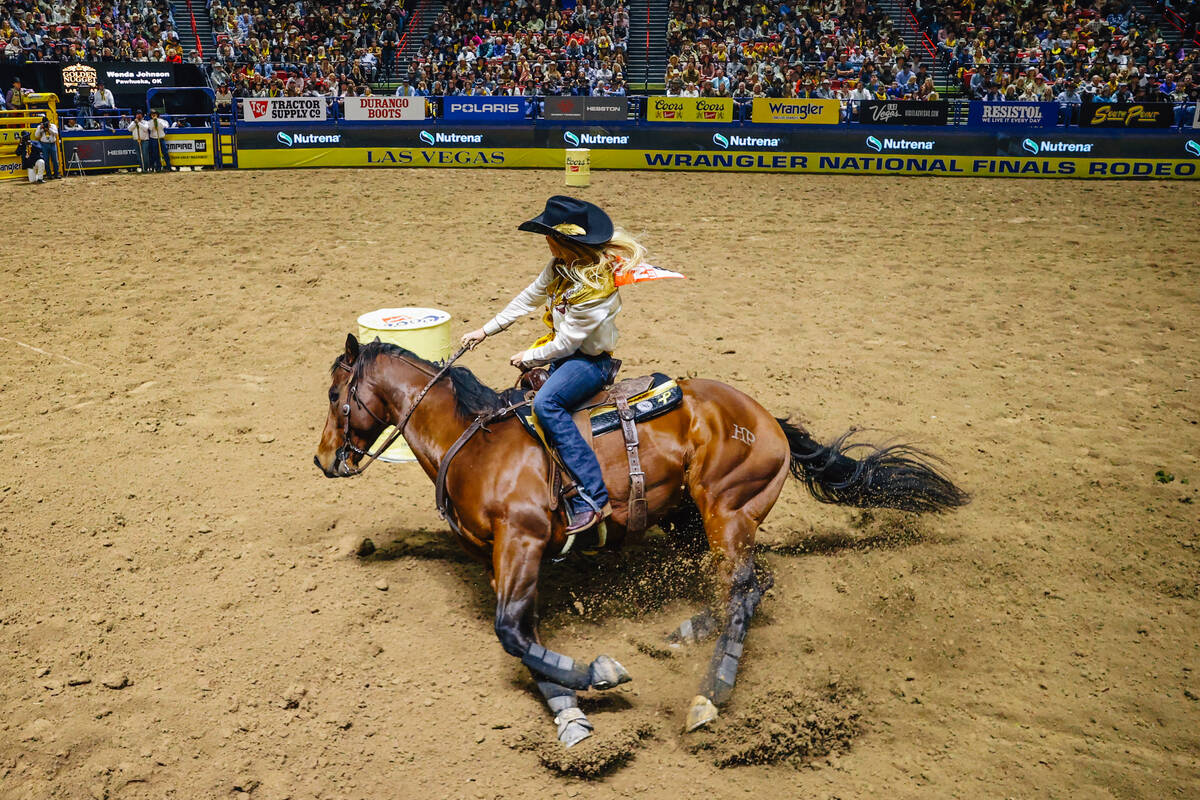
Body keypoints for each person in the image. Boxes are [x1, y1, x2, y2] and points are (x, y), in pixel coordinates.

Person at [460, 197, 647, 534]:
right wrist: (484, 331)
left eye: (548, 234)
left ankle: (592, 496)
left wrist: (528, 356)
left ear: (561, 240)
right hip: (566, 357)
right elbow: (526, 299)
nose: (545, 240)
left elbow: (568, 343)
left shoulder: (596, 290)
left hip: (590, 363)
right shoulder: (559, 268)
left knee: (547, 405)